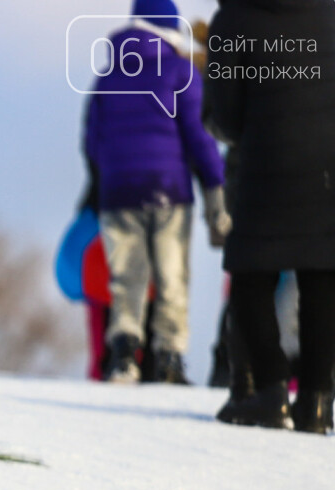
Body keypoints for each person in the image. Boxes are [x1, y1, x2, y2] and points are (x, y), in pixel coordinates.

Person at [207, 0, 335, 434]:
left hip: (267, 160)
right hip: (328, 167)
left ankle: (270, 390)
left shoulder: (234, 18)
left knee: (250, 273)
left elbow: (222, 115)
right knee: (322, 274)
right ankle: (317, 402)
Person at [84, 0, 227, 383]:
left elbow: (92, 142)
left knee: (127, 277)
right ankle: (168, 358)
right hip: (168, 191)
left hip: (117, 193)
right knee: (171, 277)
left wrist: (112, 176)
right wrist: (215, 184)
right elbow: (200, 137)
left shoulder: (108, 75)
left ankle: (124, 356)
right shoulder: (179, 71)